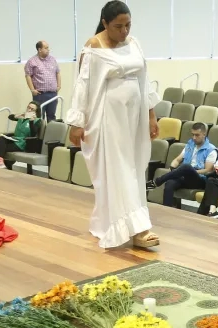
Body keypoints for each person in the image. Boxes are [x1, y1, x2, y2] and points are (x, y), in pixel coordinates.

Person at [66, 1, 161, 249]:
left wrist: (151, 115)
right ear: (105, 23)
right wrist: (76, 123)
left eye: (128, 25)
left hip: (135, 116)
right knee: (119, 169)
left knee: (133, 167)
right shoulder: (93, 46)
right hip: (108, 117)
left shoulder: (134, 43)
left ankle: (115, 221)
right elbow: (82, 86)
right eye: (118, 26)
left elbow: (145, 79)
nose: (124, 31)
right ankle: (140, 229)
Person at [147, 123, 216, 207]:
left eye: (197, 135)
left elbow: (208, 170)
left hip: (199, 180)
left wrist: (189, 171)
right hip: (185, 176)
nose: (194, 137)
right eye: (193, 135)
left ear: (204, 134)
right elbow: (177, 160)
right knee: (170, 183)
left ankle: (157, 182)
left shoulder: (210, 150)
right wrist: (172, 167)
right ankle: (167, 209)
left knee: (186, 167)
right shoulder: (190, 145)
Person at [0, 101, 42, 169]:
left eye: (32, 109)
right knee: (1, 138)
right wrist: (16, 116)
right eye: (28, 107)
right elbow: (10, 117)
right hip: (15, 139)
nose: (29, 110)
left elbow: (33, 134)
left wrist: (31, 122)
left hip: (23, 143)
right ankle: (1, 164)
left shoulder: (37, 121)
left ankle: (2, 165)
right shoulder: (22, 117)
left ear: (36, 111)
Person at [24, 41, 61, 121]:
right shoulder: (32, 61)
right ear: (39, 49)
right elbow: (28, 75)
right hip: (40, 95)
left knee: (52, 116)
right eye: (46, 48)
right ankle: (39, 133)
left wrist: (59, 86)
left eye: (48, 47)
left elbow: (57, 72)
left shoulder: (52, 59)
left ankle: (51, 133)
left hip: (52, 94)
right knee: (39, 117)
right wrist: (32, 90)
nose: (48, 49)